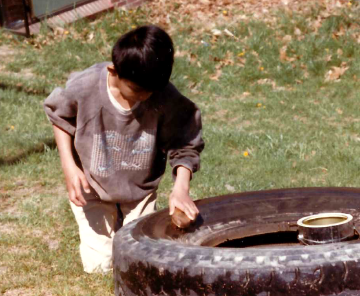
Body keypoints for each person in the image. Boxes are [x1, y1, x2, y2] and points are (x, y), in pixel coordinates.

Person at [43, 25, 204, 273]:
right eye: (138, 90)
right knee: (100, 267)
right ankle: (108, 223)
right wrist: (69, 166)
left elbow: (186, 142)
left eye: (152, 91)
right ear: (114, 71)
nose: (145, 97)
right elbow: (59, 116)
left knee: (142, 261)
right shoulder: (87, 85)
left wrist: (181, 188)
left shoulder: (163, 97)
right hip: (92, 187)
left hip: (138, 191)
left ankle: (123, 220)